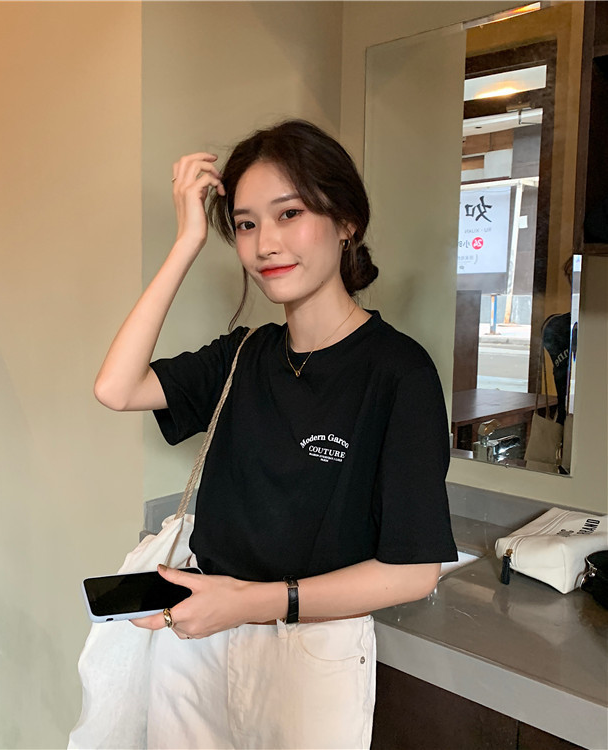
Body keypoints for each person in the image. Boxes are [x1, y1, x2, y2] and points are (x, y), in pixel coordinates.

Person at [94, 119, 457, 749]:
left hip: (311, 653)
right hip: (197, 644)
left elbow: (414, 573)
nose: (265, 244)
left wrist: (248, 603)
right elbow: (116, 387)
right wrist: (187, 240)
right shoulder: (244, 353)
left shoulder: (398, 372)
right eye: (245, 224)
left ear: (346, 222)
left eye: (289, 214)